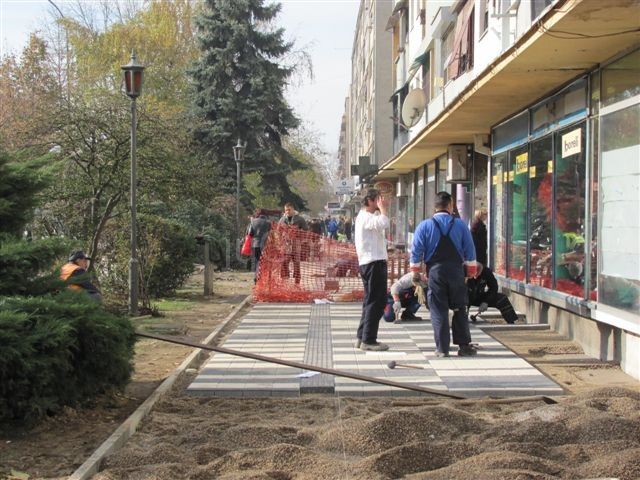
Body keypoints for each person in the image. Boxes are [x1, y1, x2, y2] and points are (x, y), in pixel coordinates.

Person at [410, 191, 478, 357]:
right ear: (450, 205)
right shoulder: (460, 225)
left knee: (438, 309)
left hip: (435, 273)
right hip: (456, 272)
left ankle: (442, 349)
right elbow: (470, 251)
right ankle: (463, 346)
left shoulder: (424, 226)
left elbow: (416, 251)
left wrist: (415, 273)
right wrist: (470, 272)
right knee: (460, 307)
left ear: (435, 206)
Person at [354, 188, 390, 351]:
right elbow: (383, 223)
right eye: (377, 200)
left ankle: (362, 336)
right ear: (369, 201)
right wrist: (383, 210)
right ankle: (369, 339)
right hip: (373, 263)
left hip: (371, 262)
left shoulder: (366, 217)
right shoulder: (366, 217)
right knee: (377, 301)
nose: (379, 203)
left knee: (370, 301)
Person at [279, 202, 308, 284]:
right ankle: (284, 280)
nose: (287, 211)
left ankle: (297, 281)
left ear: (293, 209)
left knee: (296, 263)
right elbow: (278, 231)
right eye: (285, 210)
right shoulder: (282, 219)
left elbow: (306, 230)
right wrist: (280, 241)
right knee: (284, 262)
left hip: (296, 243)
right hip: (286, 244)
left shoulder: (300, 219)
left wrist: (300, 237)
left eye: (289, 210)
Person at [249, 209, 271, 283]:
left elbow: (250, 234)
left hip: (255, 245)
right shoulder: (268, 223)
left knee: (257, 261)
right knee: (263, 262)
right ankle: (260, 278)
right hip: (265, 245)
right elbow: (272, 234)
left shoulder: (253, 221)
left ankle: (256, 277)